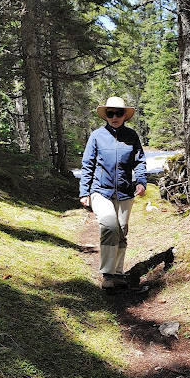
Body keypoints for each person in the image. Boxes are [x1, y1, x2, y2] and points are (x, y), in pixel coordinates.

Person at [80, 96, 147, 289]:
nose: (115, 117)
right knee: (110, 226)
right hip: (100, 191)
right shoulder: (97, 136)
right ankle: (107, 274)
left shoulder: (132, 136)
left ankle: (118, 273)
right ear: (106, 116)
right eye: (110, 113)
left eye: (119, 113)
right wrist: (84, 192)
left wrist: (141, 182)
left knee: (122, 232)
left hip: (125, 192)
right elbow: (87, 165)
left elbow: (140, 161)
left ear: (125, 115)